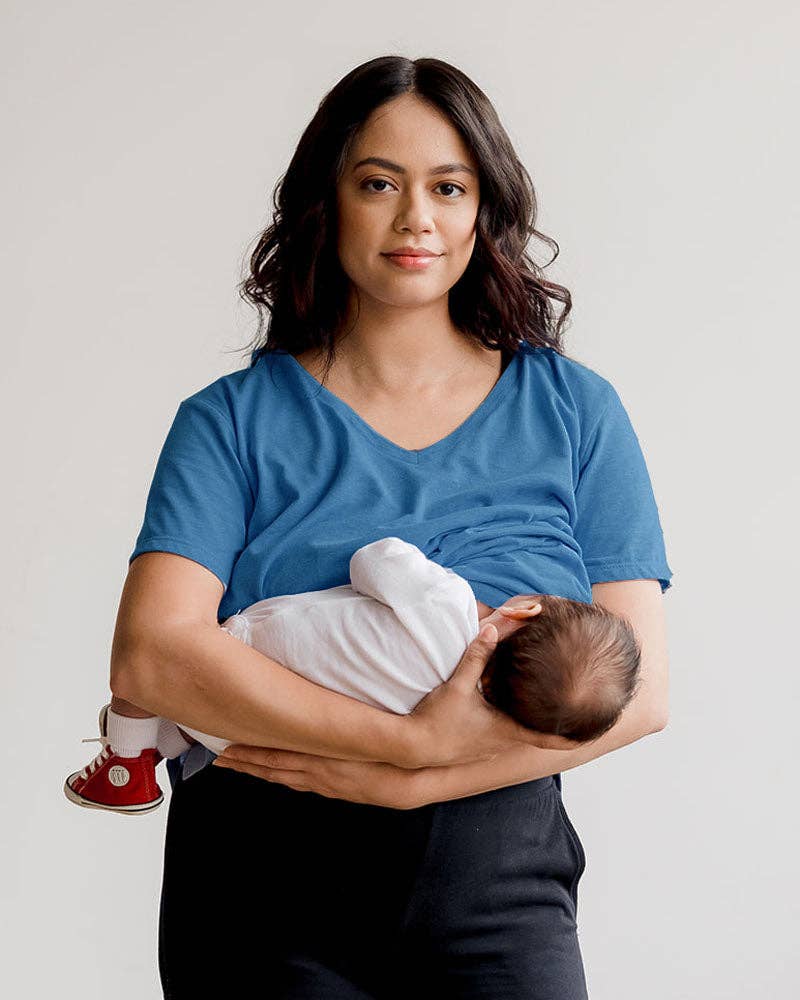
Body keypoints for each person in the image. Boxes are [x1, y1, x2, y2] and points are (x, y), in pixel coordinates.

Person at [108, 56, 673, 998]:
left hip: (499, 894)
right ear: (326, 205)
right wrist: (405, 744)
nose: (416, 217)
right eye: (379, 183)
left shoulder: (576, 410)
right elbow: (149, 660)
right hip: (261, 902)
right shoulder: (230, 421)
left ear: (483, 211)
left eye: (449, 187)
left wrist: (421, 775)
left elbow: (642, 692)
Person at [64, 536, 642, 814]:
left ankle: (127, 762)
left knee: (148, 679)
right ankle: (161, 743)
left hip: (233, 664)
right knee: (184, 718)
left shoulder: (447, 602)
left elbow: (375, 559)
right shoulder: (448, 713)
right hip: (258, 743)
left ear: (524, 609)